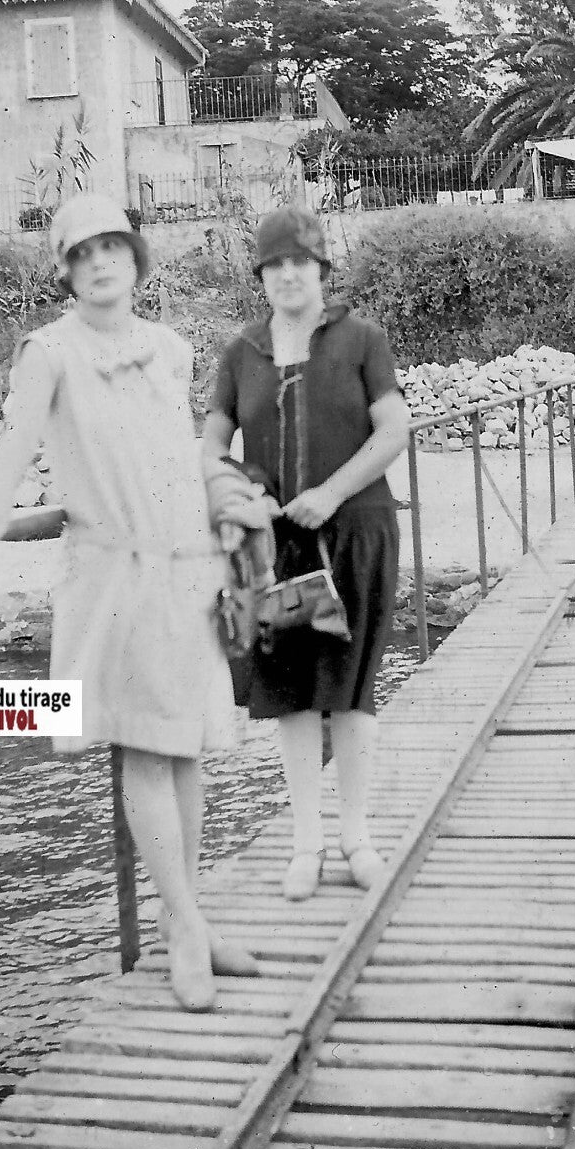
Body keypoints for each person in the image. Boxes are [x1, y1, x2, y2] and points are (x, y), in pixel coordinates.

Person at [0, 191, 267, 1012]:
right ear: (65, 271)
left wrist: (225, 516)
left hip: (184, 564)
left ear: (135, 258)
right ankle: (182, 931)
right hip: (111, 575)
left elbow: (178, 458)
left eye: (113, 247)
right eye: (81, 252)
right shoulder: (48, 351)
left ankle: (189, 923)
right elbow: (21, 437)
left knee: (188, 748)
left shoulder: (169, 349)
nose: (100, 262)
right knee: (144, 749)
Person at [202, 205, 412, 901]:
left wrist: (330, 491)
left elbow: (392, 432)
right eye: (274, 264)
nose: (288, 275)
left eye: (300, 262)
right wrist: (243, 496)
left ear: (322, 270)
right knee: (290, 696)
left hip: (357, 531)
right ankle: (307, 844)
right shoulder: (241, 353)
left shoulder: (360, 340)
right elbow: (209, 448)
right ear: (260, 275)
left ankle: (356, 838)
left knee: (350, 692)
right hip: (277, 549)